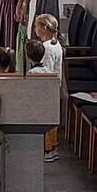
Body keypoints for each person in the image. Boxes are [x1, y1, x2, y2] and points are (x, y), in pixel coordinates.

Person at [34, 13, 64, 162]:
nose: (35, 29)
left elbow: (47, 70)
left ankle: (49, 149)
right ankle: (51, 147)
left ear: (44, 28)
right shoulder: (55, 44)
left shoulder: (47, 48)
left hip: (48, 88)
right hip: (54, 87)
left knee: (47, 119)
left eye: (36, 26)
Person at [13, 0, 33, 73]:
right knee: (19, 55)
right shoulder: (22, 1)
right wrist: (19, 0)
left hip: (26, 32)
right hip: (21, 31)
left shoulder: (30, 2)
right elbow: (17, 17)